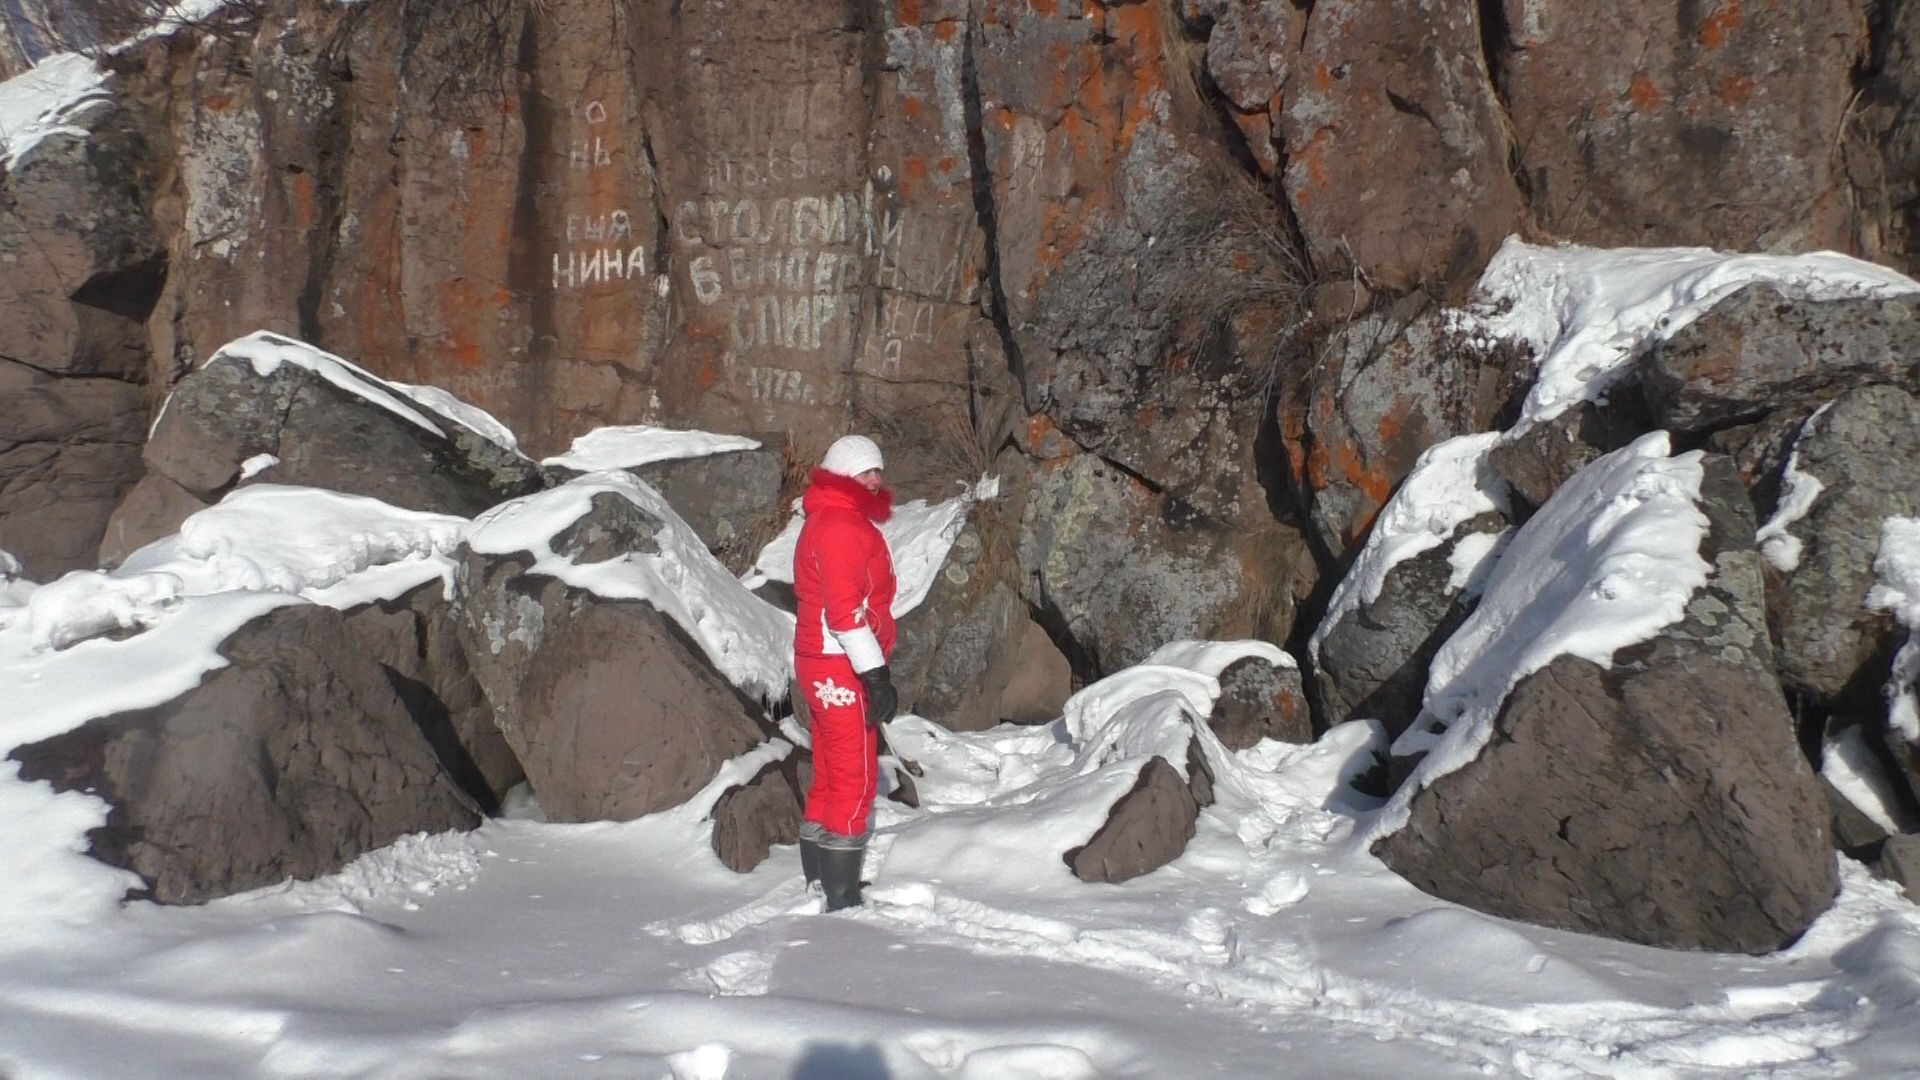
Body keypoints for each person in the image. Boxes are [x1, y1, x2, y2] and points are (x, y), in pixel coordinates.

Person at [792, 434, 899, 911]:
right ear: (839, 474)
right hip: (841, 663)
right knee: (854, 778)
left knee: (831, 773)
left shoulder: (828, 518)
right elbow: (845, 614)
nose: (874, 479)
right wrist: (876, 674)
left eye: (877, 471)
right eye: (863, 472)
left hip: (820, 660)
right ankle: (842, 897)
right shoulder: (840, 526)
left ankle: (820, 878)